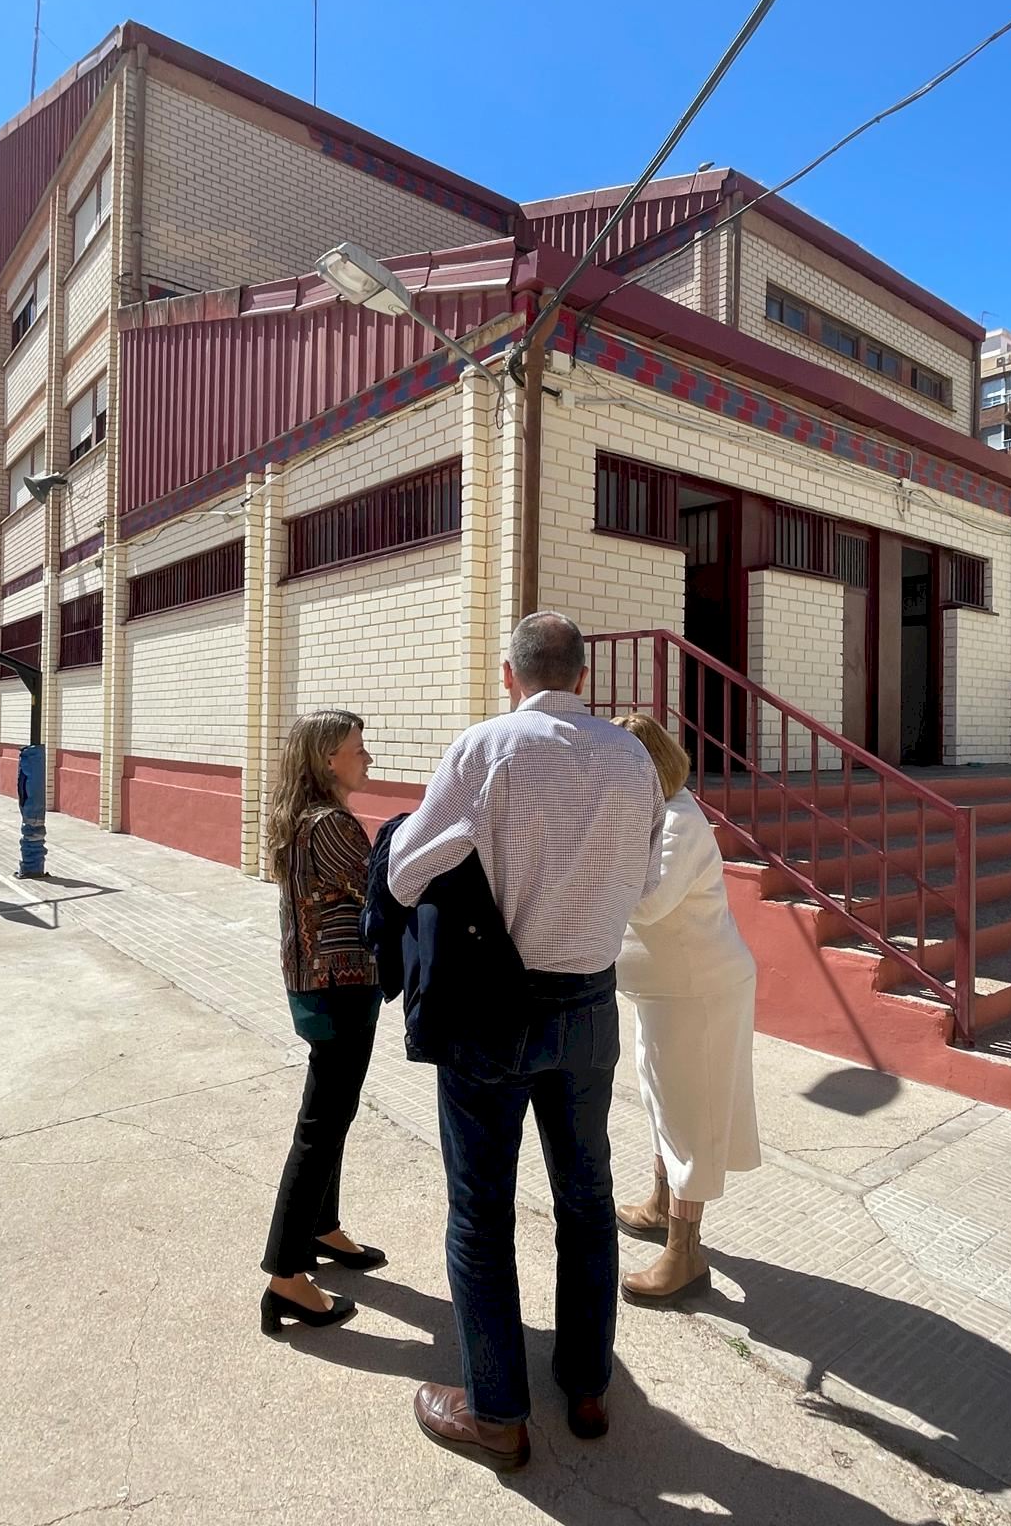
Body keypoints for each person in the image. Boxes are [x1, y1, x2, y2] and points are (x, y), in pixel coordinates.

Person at [388, 613, 665, 1472]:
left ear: (510, 674)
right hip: (589, 1004)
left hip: (494, 1010)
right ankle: (586, 1385)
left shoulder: (487, 747)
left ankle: (497, 1414)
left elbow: (404, 873)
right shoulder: (633, 758)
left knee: (482, 1211)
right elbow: (648, 882)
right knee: (587, 1198)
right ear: (582, 676)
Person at [611, 714, 760, 1307]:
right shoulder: (655, 816)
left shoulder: (677, 821)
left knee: (690, 1114)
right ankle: (659, 1204)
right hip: (667, 991)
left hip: (698, 993)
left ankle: (685, 1252)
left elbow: (649, 904)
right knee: (661, 1099)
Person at [259, 709, 387, 1336]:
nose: (367, 758)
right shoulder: (332, 825)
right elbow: (381, 894)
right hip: (339, 991)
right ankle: (285, 1275)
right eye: (357, 749)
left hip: (326, 988)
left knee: (333, 1114)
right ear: (328, 759)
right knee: (321, 1126)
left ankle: (322, 1227)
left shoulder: (304, 818)